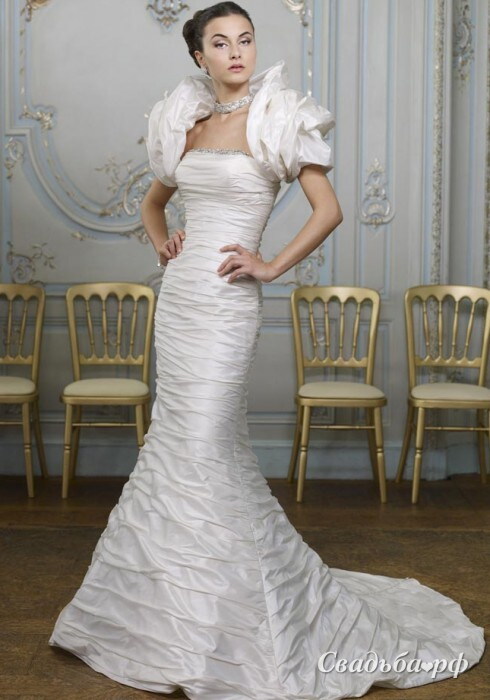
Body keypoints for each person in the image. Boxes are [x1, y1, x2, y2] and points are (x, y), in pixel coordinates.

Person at [48, 3, 485, 699]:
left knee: (204, 443)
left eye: (246, 39)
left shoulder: (278, 116)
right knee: (178, 448)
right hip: (181, 302)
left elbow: (328, 210)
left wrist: (272, 265)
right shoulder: (187, 122)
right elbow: (154, 202)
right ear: (199, 56)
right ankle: (177, 616)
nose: (237, 52)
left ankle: (237, 611)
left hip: (227, 306)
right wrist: (164, 241)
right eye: (221, 43)